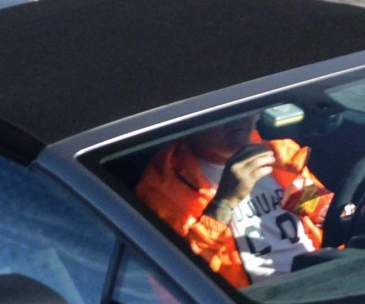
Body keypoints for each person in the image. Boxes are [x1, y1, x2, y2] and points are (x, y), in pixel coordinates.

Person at [136, 113, 333, 288]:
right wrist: (223, 203)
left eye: (244, 108)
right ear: (190, 122)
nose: (237, 118)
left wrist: (337, 214)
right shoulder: (163, 186)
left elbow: (317, 207)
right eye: (221, 113)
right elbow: (179, 282)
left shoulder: (277, 150)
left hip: (323, 278)